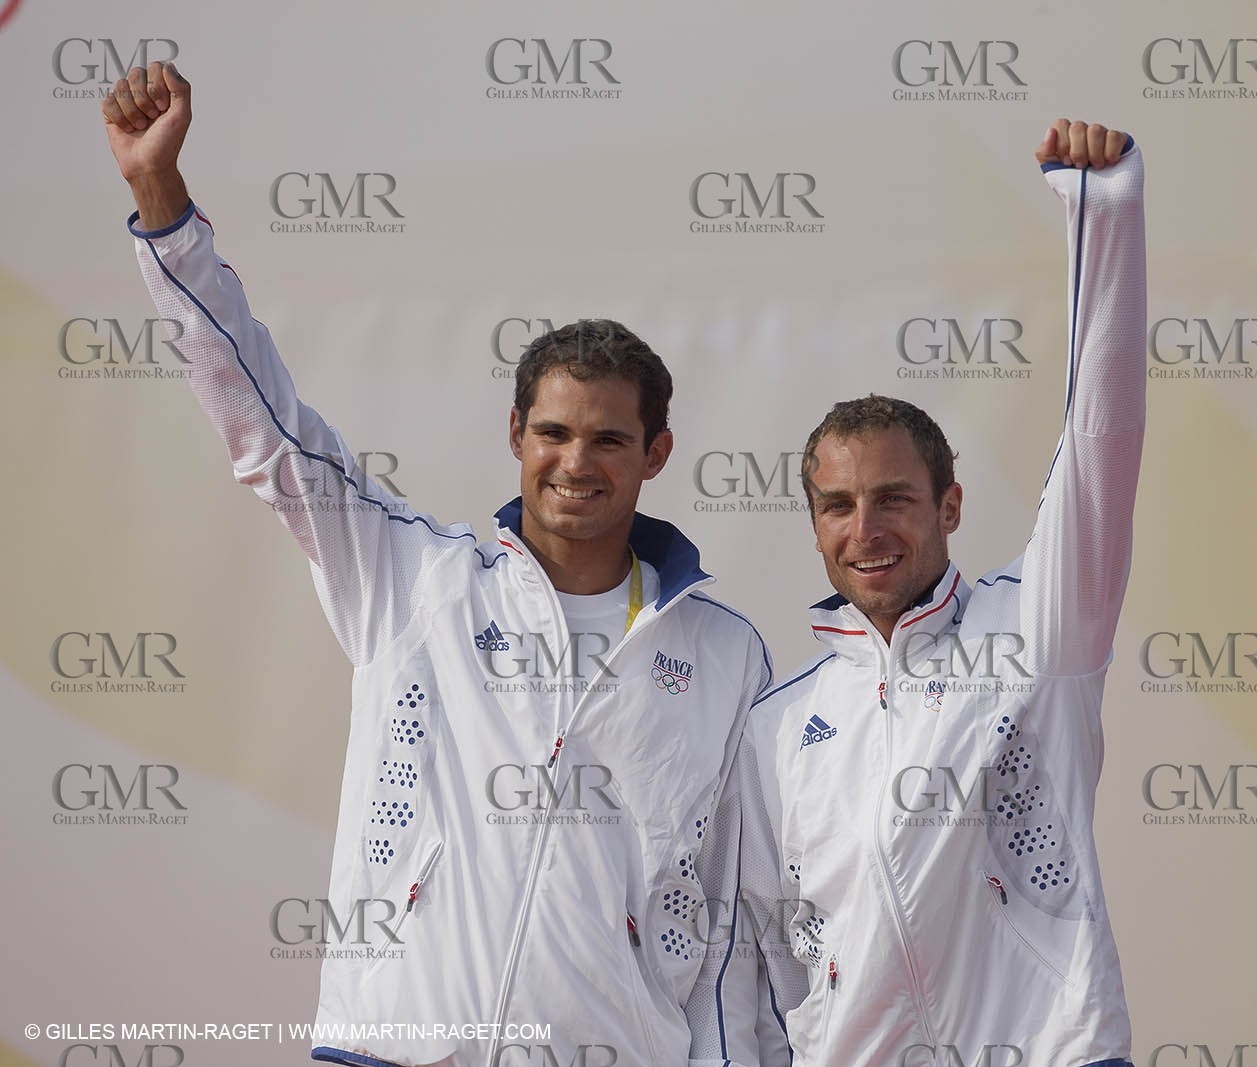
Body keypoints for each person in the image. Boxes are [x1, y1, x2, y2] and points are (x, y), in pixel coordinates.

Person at [103, 62, 770, 1067]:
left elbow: (731, 933)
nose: (575, 462)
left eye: (607, 439)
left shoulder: (725, 654)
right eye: (552, 432)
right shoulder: (411, 576)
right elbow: (268, 429)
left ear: (656, 453)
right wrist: (164, 209)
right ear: (515, 434)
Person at [712, 118, 1147, 1066]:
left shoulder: (1037, 630)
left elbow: (1101, 445)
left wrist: (1103, 213)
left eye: (894, 499)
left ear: (949, 503)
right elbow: (757, 959)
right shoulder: (776, 726)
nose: (865, 530)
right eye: (837, 505)